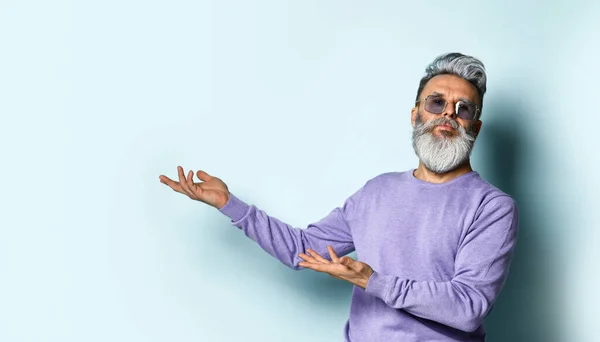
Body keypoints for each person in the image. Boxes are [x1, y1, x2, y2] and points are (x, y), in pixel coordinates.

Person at [159, 52, 519, 342]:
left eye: (463, 109)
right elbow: (305, 248)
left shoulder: (491, 208)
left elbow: (468, 306)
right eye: (437, 103)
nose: (448, 116)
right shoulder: (378, 190)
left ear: (475, 126)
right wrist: (229, 204)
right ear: (415, 115)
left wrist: (371, 280)